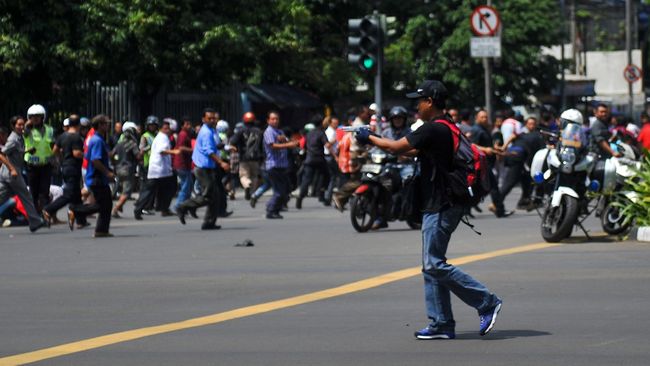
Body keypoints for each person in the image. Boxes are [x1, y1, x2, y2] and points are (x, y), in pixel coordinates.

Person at [354, 79, 502, 340]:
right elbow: (410, 153)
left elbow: (396, 145)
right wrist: (382, 145)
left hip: (443, 204)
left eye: (419, 101)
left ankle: (486, 301)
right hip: (441, 202)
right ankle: (441, 323)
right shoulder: (444, 128)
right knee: (430, 265)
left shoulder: (433, 128)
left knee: (433, 264)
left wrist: (369, 137)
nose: (416, 107)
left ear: (430, 102)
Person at [176, 108, 230, 230]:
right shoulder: (206, 132)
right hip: (202, 168)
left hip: (209, 167)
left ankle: (209, 223)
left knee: (215, 196)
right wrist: (222, 163)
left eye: (213, 118)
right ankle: (183, 206)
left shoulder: (212, 130)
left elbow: (214, 146)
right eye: (209, 118)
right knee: (208, 196)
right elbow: (209, 151)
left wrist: (225, 147)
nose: (212, 120)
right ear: (203, 119)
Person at [68, 115, 114, 238]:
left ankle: (101, 230)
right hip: (97, 177)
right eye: (105, 123)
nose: (108, 126)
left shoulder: (97, 139)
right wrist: (107, 173)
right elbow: (95, 160)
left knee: (106, 204)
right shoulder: (97, 140)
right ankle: (75, 210)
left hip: (97, 177)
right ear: (99, 125)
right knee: (101, 205)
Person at [0, 116, 49, 232]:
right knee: (26, 196)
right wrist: (12, 169)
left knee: (2, 196)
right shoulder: (13, 139)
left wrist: (27, 151)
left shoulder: (19, 137)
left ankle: (34, 221)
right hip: (12, 173)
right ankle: (35, 221)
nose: (22, 127)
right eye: (19, 125)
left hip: (6, 173)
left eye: (23, 125)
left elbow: (17, 151)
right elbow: (2, 154)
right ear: (13, 126)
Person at [42, 115, 89, 227]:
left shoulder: (62, 136)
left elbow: (55, 151)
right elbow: (76, 153)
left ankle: (81, 220)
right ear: (78, 125)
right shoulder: (76, 137)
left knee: (77, 195)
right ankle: (48, 209)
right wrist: (87, 155)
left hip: (66, 167)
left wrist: (63, 159)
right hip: (73, 167)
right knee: (68, 195)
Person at [471, 110, 512, 218]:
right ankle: (500, 210)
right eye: (482, 117)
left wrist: (497, 150)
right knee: (493, 186)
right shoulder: (476, 130)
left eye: (486, 117)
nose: (485, 119)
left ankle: (467, 207)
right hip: (480, 162)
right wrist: (485, 149)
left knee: (482, 187)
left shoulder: (484, 129)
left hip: (485, 162)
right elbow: (471, 145)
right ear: (477, 118)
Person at [263, 111, 299, 219]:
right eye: (272, 119)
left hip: (282, 165)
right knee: (279, 191)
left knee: (286, 190)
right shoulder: (269, 132)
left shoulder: (279, 131)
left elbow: (286, 140)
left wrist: (290, 142)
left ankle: (273, 207)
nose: (275, 121)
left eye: (277, 119)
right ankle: (271, 210)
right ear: (268, 120)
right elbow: (272, 146)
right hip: (274, 165)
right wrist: (288, 144)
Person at [296, 116, 337, 209]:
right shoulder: (321, 133)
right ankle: (321, 193)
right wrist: (334, 147)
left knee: (306, 180)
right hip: (319, 159)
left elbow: (304, 145)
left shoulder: (309, 133)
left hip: (309, 159)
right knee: (327, 176)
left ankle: (300, 197)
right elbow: (327, 145)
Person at [23, 104, 55, 212]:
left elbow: (53, 145)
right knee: (34, 192)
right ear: (29, 118)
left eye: (38, 116)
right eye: (32, 116)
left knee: (44, 192)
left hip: (46, 165)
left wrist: (55, 160)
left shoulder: (50, 130)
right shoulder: (27, 130)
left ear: (43, 117)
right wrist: (27, 125)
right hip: (32, 166)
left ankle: (43, 214)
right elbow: (24, 132)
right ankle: (35, 215)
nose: (35, 118)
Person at [230, 112, 264, 201]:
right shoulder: (259, 131)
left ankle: (247, 185)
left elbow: (232, 141)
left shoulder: (240, 131)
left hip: (243, 157)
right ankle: (252, 191)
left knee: (244, 176)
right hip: (256, 158)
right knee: (254, 175)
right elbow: (262, 145)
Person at [111, 122, 140, 218]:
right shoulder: (132, 144)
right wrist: (143, 151)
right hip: (128, 169)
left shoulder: (119, 144)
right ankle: (116, 208)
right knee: (127, 192)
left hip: (119, 169)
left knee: (122, 189)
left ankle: (119, 206)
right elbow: (138, 156)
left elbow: (112, 154)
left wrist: (115, 163)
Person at [173, 117, 194, 211]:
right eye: (187, 124)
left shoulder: (186, 134)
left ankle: (184, 206)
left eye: (190, 123)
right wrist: (193, 150)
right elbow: (181, 148)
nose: (189, 126)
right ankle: (178, 206)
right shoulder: (182, 134)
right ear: (182, 126)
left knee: (188, 186)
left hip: (185, 164)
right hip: (181, 164)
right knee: (186, 187)